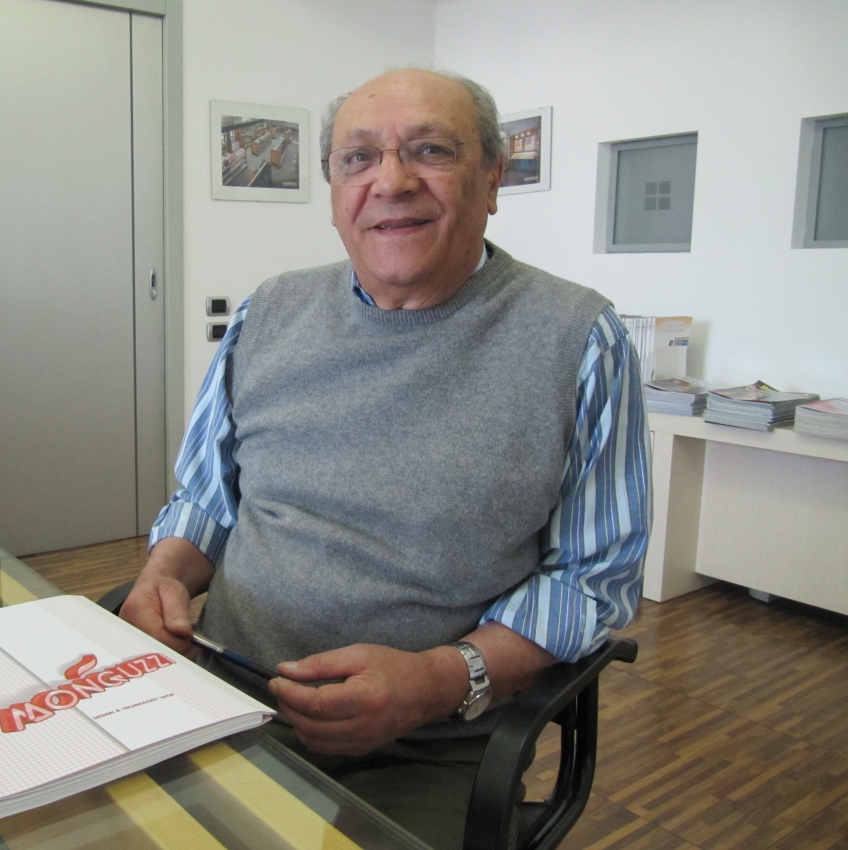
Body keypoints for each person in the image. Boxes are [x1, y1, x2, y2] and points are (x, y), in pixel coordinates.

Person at [120, 68, 650, 850]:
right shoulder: (269, 311)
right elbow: (207, 499)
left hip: (422, 744)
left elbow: (591, 579)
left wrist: (435, 681)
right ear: (335, 191)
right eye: (359, 158)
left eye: (430, 150)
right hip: (218, 691)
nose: (391, 182)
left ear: (493, 179)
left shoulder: (579, 340)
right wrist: (161, 575)